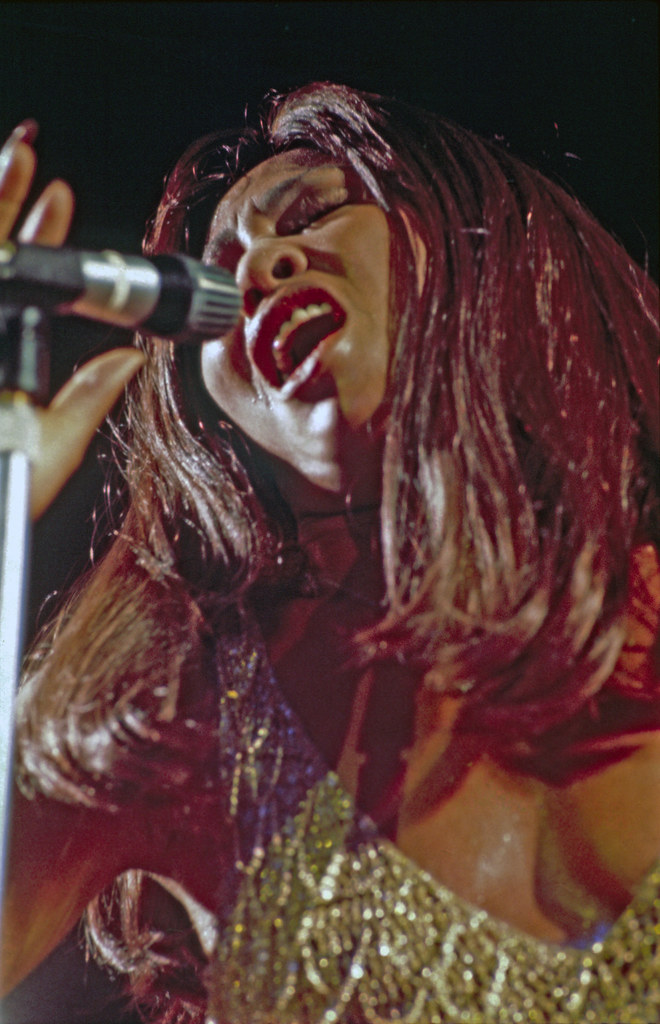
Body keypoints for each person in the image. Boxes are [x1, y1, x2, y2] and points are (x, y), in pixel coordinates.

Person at [1, 82, 658, 1024]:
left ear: (475, 241)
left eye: (312, 214)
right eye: (221, 274)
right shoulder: (175, 699)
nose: (263, 266)